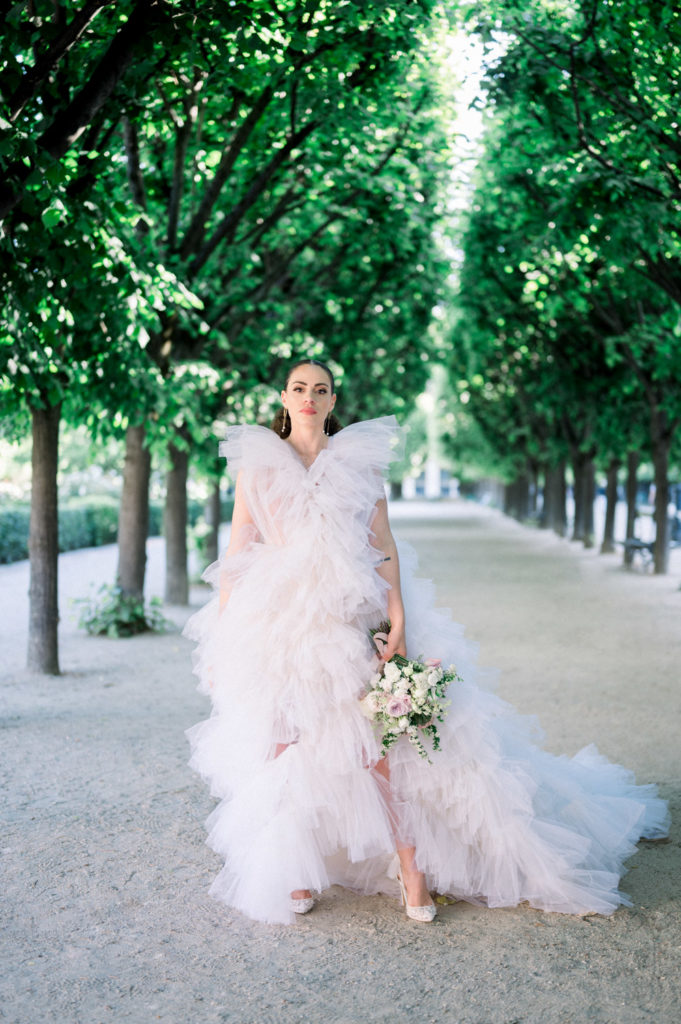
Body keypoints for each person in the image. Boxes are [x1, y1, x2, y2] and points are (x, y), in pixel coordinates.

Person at [184, 358, 669, 926]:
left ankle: (412, 869)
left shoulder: (358, 463)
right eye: (299, 388)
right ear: (284, 398)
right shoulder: (260, 465)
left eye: (321, 389)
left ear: (334, 401)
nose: (309, 397)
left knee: (383, 747)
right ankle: (296, 868)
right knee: (286, 745)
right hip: (284, 620)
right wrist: (226, 634)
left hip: (352, 613)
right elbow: (240, 548)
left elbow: (383, 543)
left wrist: (398, 619)